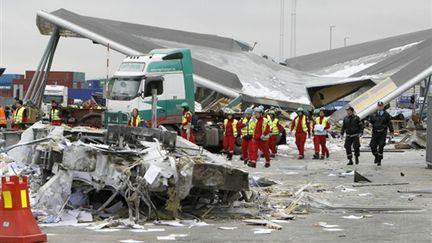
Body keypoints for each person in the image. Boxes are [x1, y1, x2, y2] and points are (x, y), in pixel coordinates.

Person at [369, 101, 394, 166]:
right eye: (379, 106)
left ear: (383, 106)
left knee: (381, 145)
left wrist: (391, 131)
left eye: (381, 106)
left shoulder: (386, 115)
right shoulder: (373, 114)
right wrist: (369, 124)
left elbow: (389, 123)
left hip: (382, 133)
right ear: (377, 107)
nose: (380, 107)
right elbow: (370, 121)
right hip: (375, 132)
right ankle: (376, 156)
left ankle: (379, 161)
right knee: (372, 146)